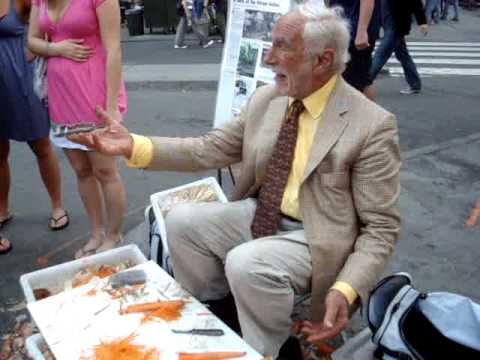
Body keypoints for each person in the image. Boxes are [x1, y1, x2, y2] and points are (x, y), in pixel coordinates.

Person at [69, 3, 401, 358]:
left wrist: (348, 288)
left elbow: (381, 227)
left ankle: (272, 348)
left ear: (323, 60)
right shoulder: (269, 98)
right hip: (264, 214)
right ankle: (221, 313)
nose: (269, 57)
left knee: (247, 263)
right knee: (181, 222)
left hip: (318, 237)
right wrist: (133, 144)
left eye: (282, 46)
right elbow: (209, 149)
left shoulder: (371, 125)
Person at [27, 0, 127, 258]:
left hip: (94, 94)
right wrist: (57, 48)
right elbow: (32, 41)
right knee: (82, 171)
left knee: (105, 170)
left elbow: (113, 49)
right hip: (62, 99)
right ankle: (96, 234)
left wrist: (112, 105)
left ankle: (114, 235)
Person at [1, 0, 69, 234]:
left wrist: (38, 47)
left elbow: (48, 17)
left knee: (40, 144)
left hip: (22, 78)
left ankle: (57, 206)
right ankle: (2, 209)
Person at [370, 0, 428, 95]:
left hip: (396, 22)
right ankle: (415, 84)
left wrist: (422, 21)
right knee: (402, 55)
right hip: (391, 21)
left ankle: (363, 82)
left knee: (381, 54)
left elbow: (416, 2)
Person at [328, 0, 381, 101]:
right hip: (345, 26)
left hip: (353, 29)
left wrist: (362, 31)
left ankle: (370, 115)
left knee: (357, 79)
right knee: (359, 78)